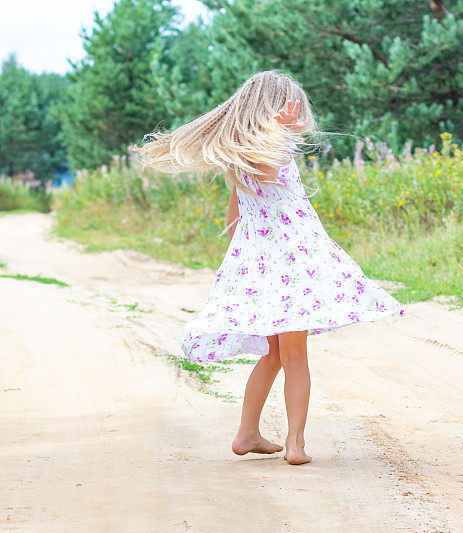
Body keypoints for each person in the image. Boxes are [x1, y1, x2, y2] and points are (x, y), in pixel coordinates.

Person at [134, 71, 405, 465]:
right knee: (295, 356)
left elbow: (235, 216)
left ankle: (247, 434)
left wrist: (245, 259)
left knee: (275, 354)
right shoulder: (268, 151)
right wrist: (278, 136)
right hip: (289, 269)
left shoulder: (242, 154)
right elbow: (267, 175)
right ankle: (295, 444)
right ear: (274, 110)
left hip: (267, 266)